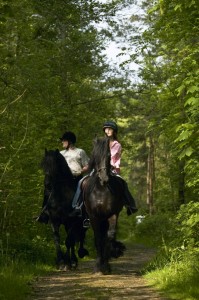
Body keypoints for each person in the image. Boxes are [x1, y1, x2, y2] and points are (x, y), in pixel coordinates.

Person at [36, 131, 89, 224]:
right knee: (48, 189)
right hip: (63, 179)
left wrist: (80, 171)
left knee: (84, 191)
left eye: (64, 141)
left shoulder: (80, 152)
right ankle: (44, 212)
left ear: (70, 142)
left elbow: (87, 166)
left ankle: (85, 214)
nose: (62, 142)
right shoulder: (60, 153)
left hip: (76, 177)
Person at [103, 121, 138, 215]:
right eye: (106, 129)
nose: (107, 130)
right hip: (100, 167)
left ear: (114, 131)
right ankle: (81, 206)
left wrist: (113, 166)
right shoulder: (101, 143)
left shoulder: (117, 145)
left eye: (110, 129)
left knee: (123, 183)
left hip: (111, 169)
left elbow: (116, 158)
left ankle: (130, 205)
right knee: (84, 182)